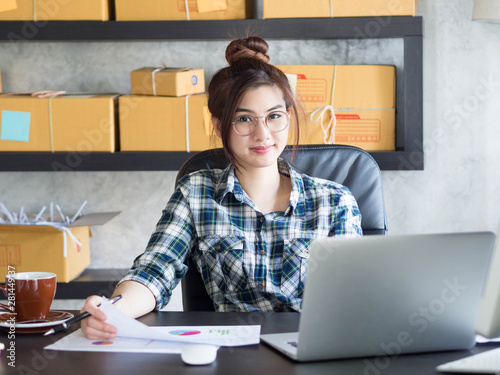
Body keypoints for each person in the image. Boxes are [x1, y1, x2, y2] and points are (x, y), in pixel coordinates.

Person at [81, 36, 362, 340]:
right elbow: (154, 271)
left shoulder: (334, 201)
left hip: (312, 349)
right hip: (232, 352)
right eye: (244, 119)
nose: (262, 133)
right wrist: (111, 311)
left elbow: (354, 299)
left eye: (274, 116)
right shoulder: (197, 193)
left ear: (288, 117)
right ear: (218, 126)